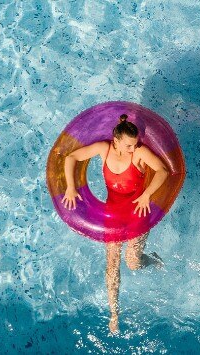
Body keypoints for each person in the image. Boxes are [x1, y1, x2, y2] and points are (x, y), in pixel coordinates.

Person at [60, 114, 169, 333]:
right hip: (113, 213)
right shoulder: (103, 148)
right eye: (129, 144)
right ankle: (114, 314)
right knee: (112, 265)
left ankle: (152, 259)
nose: (133, 148)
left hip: (138, 209)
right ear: (116, 140)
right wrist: (71, 187)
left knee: (132, 263)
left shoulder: (139, 153)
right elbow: (71, 157)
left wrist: (147, 194)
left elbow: (163, 171)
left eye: (135, 144)